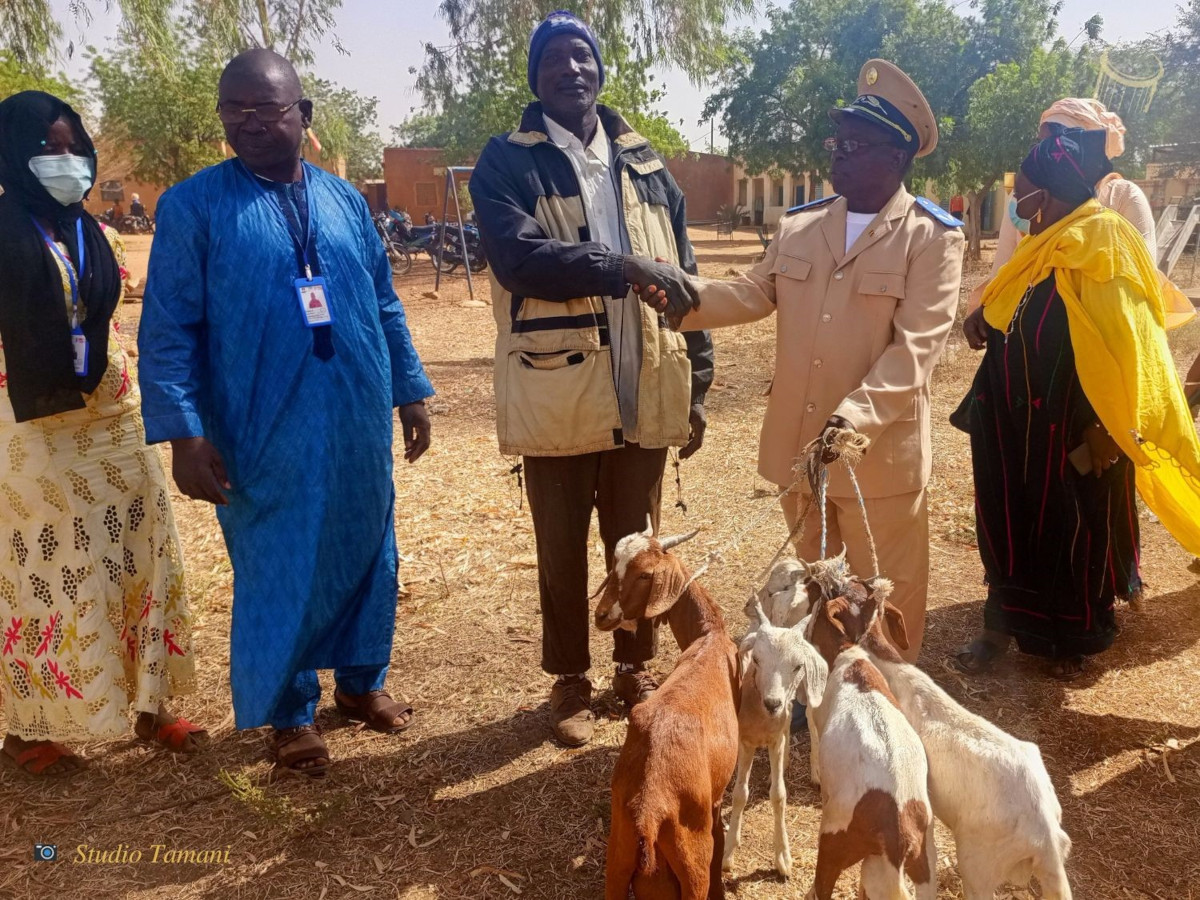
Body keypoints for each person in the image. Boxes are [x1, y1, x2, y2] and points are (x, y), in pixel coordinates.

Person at [138, 49, 434, 776]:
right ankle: (292, 712)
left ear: (303, 115)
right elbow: (170, 325)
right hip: (258, 420)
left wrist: (410, 388)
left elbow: (384, 300)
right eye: (233, 109)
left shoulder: (345, 201)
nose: (248, 122)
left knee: (369, 541)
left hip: (355, 409)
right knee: (277, 557)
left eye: (266, 108)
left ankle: (362, 682)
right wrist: (182, 432)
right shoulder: (193, 206)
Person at [638, 60, 963, 664]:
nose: (837, 153)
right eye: (835, 140)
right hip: (800, 453)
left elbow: (918, 345)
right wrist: (686, 294)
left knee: (880, 601)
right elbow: (755, 291)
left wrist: (854, 420)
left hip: (878, 459)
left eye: (855, 144)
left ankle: (886, 711)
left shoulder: (931, 237)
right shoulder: (802, 224)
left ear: (896, 156)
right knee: (814, 589)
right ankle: (820, 696)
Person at [468, 10, 715, 746]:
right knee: (563, 544)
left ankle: (633, 667)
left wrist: (695, 382)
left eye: (583, 57)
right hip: (558, 389)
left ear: (600, 69)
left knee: (638, 540)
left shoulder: (644, 160)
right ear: (535, 77)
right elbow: (519, 260)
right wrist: (620, 268)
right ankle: (569, 680)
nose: (571, 69)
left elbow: (686, 273)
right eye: (555, 60)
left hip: (647, 382)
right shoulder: (507, 161)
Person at [0, 91, 202, 777]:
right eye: (46, 148)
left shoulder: (99, 233)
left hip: (115, 418)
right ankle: (29, 728)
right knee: (44, 573)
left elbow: (108, 319)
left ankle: (152, 703)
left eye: (71, 147)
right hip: (31, 430)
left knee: (139, 553)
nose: (64, 161)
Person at [952, 129, 1200, 679]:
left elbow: (1133, 344)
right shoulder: (1048, 238)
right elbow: (1015, 301)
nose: (1017, 203)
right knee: (1004, 520)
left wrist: (1114, 432)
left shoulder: (1104, 242)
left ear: (1052, 192)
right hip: (1010, 421)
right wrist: (984, 319)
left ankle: (1070, 638)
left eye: (1025, 190)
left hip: (1075, 428)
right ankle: (1000, 624)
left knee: (1068, 530)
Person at [965, 98, 1169, 317]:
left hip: (1103, 329)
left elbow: (1142, 280)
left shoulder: (1124, 198)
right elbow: (1002, 275)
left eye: (1060, 142)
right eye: (1042, 143)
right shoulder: (1024, 200)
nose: (1049, 151)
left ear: (1089, 148)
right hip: (1028, 328)